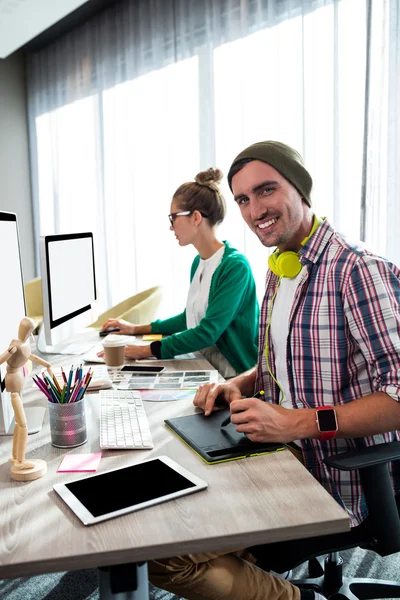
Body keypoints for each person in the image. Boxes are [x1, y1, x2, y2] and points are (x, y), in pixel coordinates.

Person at [148, 141, 400, 600]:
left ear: (300, 189)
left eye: (266, 190)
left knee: (168, 557)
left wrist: (294, 423)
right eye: (243, 199)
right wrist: (237, 383)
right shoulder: (281, 266)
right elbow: (271, 367)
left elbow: (399, 395)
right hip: (279, 456)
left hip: (333, 481)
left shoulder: (357, 270)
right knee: (165, 512)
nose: (253, 209)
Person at [101, 167, 259, 378]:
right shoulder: (199, 262)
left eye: (173, 218)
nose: (171, 227)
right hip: (205, 366)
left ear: (195, 217)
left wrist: (146, 351)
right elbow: (189, 319)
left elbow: (208, 332)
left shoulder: (235, 267)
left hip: (234, 377)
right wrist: (135, 329)